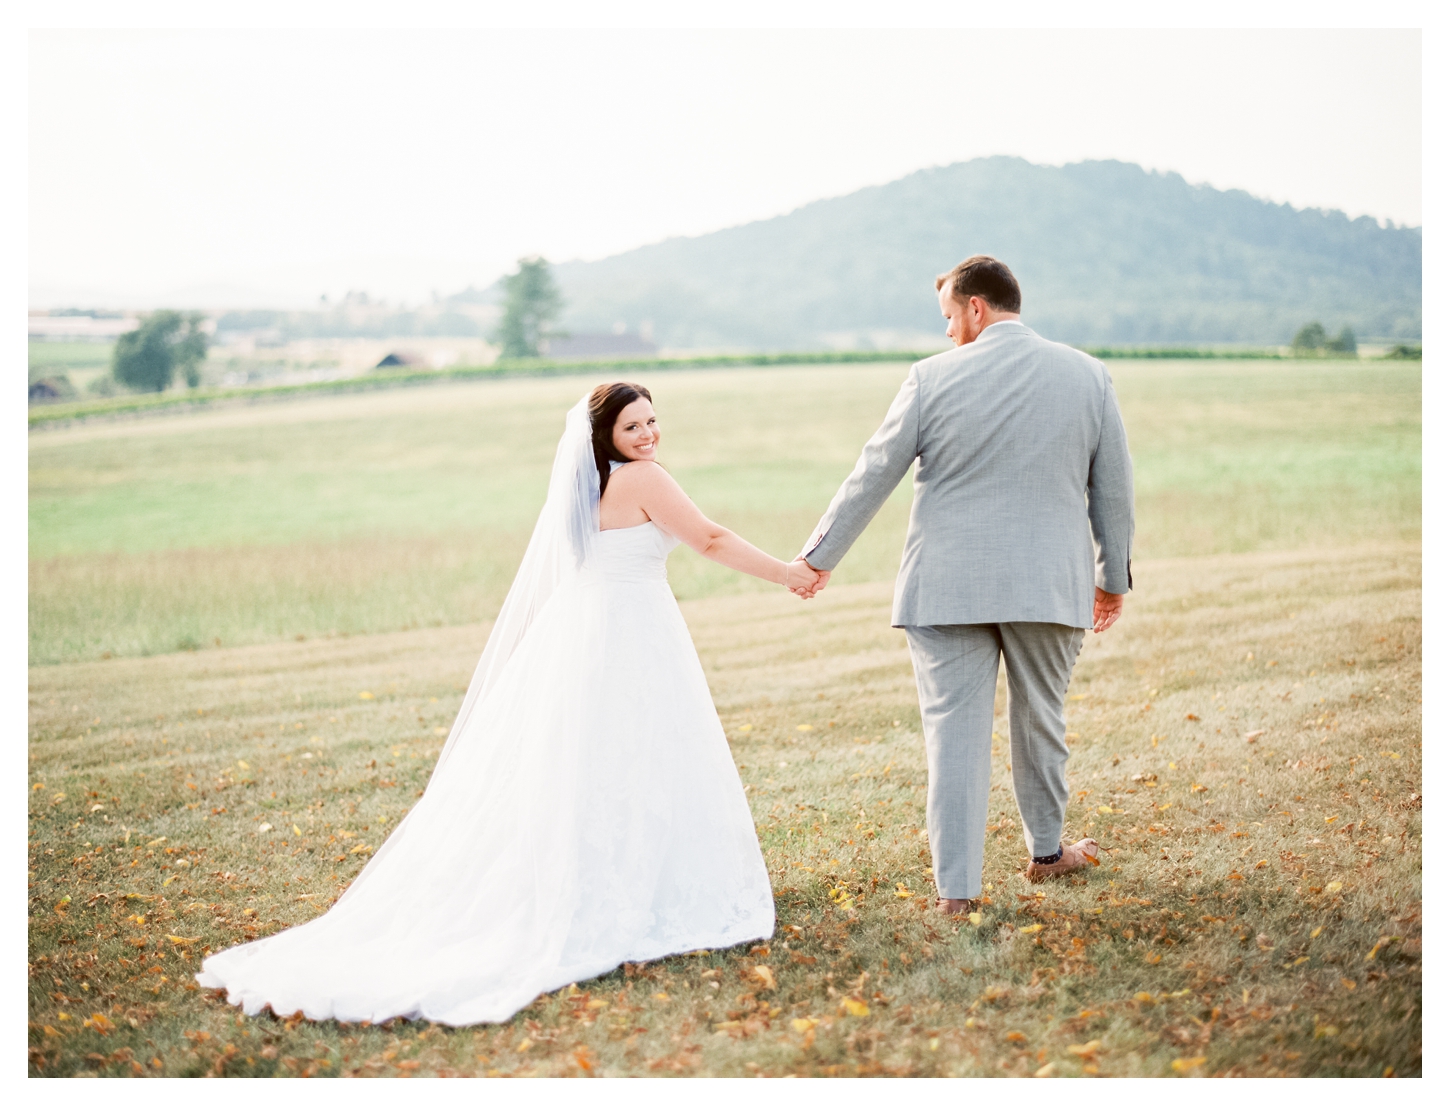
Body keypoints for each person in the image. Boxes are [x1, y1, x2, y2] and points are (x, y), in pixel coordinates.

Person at [197, 382, 820, 1025]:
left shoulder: (590, 486)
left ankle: (607, 884)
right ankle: (633, 891)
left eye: (653, 422)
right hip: (631, 629)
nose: (648, 435)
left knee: (596, 761)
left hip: (590, 629)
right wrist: (790, 572)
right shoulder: (643, 479)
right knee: (639, 752)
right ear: (603, 436)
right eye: (633, 426)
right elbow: (711, 540)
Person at [790, 255, 1134, 913]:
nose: (947, 332)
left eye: (949, 316)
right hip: (1047, 582)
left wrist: (819, 557)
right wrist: (1111, 576)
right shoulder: (1089, 376)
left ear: (976, 308)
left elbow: (872, 474)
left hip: (944, 586)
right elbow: (1112, 488)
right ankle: (1046, 853)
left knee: (953, 735)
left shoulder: (928, 379)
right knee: (1043, 718)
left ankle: (958, 895)